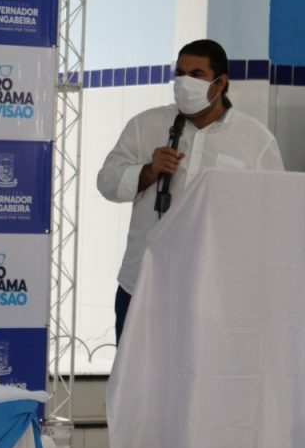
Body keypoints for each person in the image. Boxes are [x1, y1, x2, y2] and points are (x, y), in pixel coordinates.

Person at [97, 39, 284, 344]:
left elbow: (273, 215)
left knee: (203, 373)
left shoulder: (255, 140)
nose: (185, 82)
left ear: (220, 83)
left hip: (215, 291)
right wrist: (148, 171)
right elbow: (106, 183)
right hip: (143, 283)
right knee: (136, 373)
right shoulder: (145, 125)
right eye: (180, 74)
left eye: (196, 75)